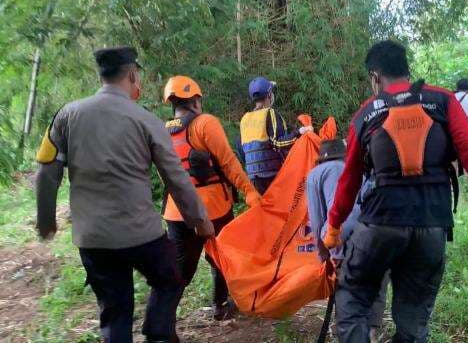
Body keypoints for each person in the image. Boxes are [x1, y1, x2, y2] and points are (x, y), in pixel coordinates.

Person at [321, 40, 468, 342]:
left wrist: (334, 227)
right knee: (414, 317)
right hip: (432, 224)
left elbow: (349, 180)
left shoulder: (366, 113)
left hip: (380, 223)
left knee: (353, 293)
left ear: (375, 77)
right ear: (407, 70)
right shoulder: (442, 100)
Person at [35, 47, 214, 343]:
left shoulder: (66, 116)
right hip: (141, 235)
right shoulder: (146, 120)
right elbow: (176, 177)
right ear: (132, 75)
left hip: (93, 239)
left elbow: (46, 172)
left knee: (115, 310)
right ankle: (158, 334)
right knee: (169, 279)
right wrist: (199, 219)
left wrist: (46, 221)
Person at [161, 76, 262, 320]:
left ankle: (163, 318)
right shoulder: (205, 123)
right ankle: (220, 305)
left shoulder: (163, 130)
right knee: (220, 255)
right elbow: (228, 163)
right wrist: (249, 191)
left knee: (180, 268)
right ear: (195, 100)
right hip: (212, 207)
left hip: (176, 210)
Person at [306, 138, 388, 343]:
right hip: (377, 227)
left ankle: (350, 330)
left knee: (348, 286)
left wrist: (323, 254)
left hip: (342, 234)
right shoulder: (358, 167)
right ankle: (371, 329)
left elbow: (317, 221)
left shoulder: (315, 174)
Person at [239, 77, 312, 194]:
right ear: (269, 95)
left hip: (253, 179)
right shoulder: (270, 113)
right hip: (271, 176)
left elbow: (241, 150)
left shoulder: (245, 119)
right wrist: (299, 132)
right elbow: (279, 142)